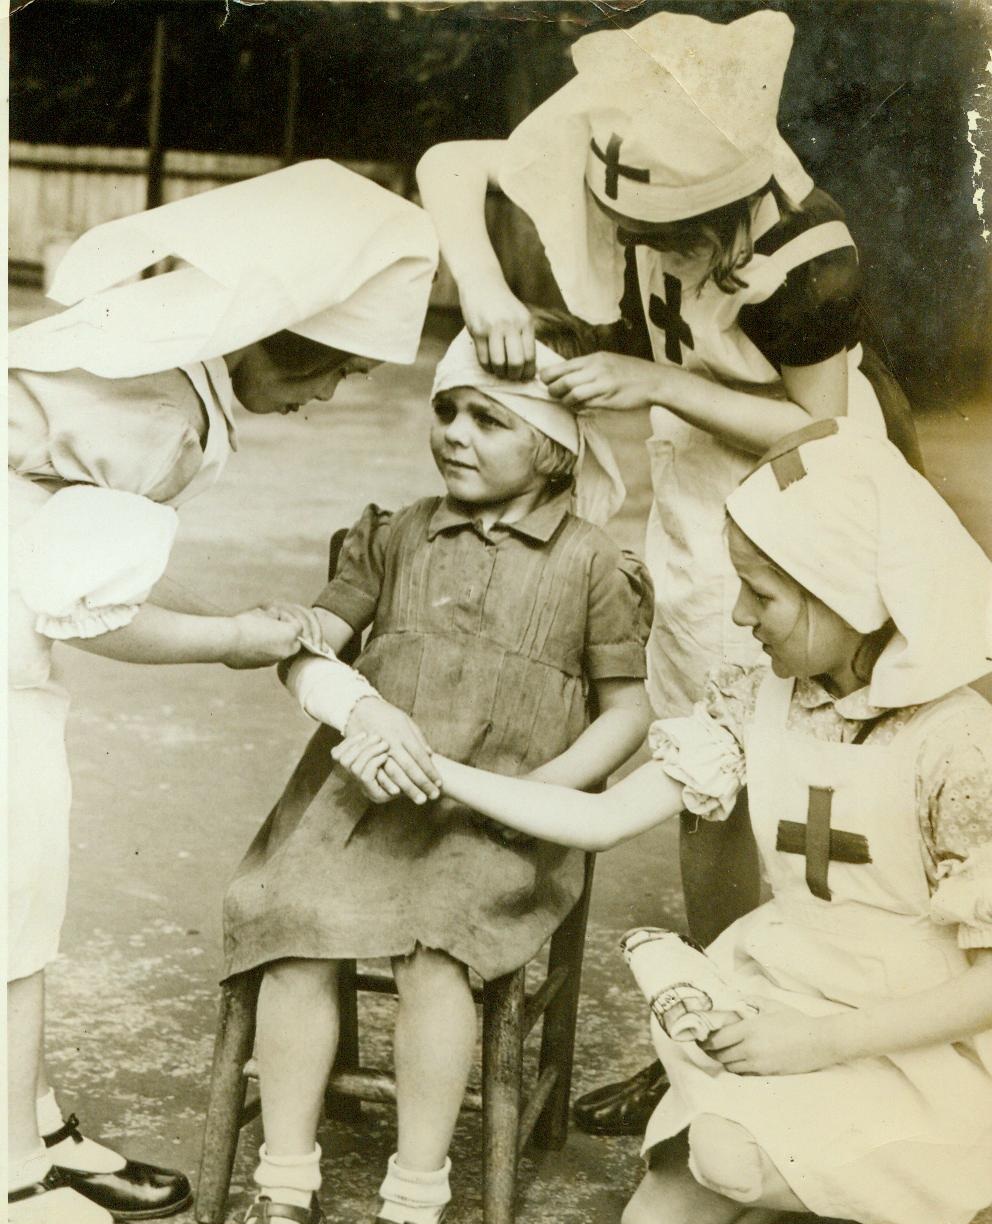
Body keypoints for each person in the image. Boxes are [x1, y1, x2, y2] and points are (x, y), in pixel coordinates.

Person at [416, 7, 925, 1131]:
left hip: (816, 499)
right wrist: (485, 291)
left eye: (690, 234)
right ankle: (706, 1014)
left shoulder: (810, 258)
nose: (665, 253)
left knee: (828, 771)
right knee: (711, 767)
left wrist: (658, 386)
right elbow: (452, 165)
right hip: (696, 502)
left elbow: (820, 437)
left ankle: (838, 1028)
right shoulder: (628, 135)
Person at [341, 418, 992, 1224]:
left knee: (732, 1158)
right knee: (664, 1205)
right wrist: (438, 772)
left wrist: (817, 1046)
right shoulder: (761, 694)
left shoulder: (959, 744)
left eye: (765, 594)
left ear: (847, 589)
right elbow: (604, 817)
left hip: (918, 1044)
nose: (744, 617)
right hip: (786, 998)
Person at [7, 160, 439, 1224]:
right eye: (327, 373)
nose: (327, 398)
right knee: (15, 896)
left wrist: (244, 623)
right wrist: (235, 640)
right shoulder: (160, 412)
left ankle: (35, 1119)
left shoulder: (141, 344)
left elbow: (98, 555)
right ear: (271, 337)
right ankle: (14, 1175)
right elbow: (98, 615)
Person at [221, 314, 654, 1224]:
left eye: (488, 419)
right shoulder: (395, 535)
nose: (454, 432)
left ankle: (416, 1190)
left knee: (437, 951)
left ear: (555, 449)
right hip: (360, 804)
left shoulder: (593, 564)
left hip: (499, 819)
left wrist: (542, 796)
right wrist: (357, 710)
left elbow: (628, 711)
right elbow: (308, 651)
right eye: (447, 410)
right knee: (290, 926)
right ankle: (283, 1180)